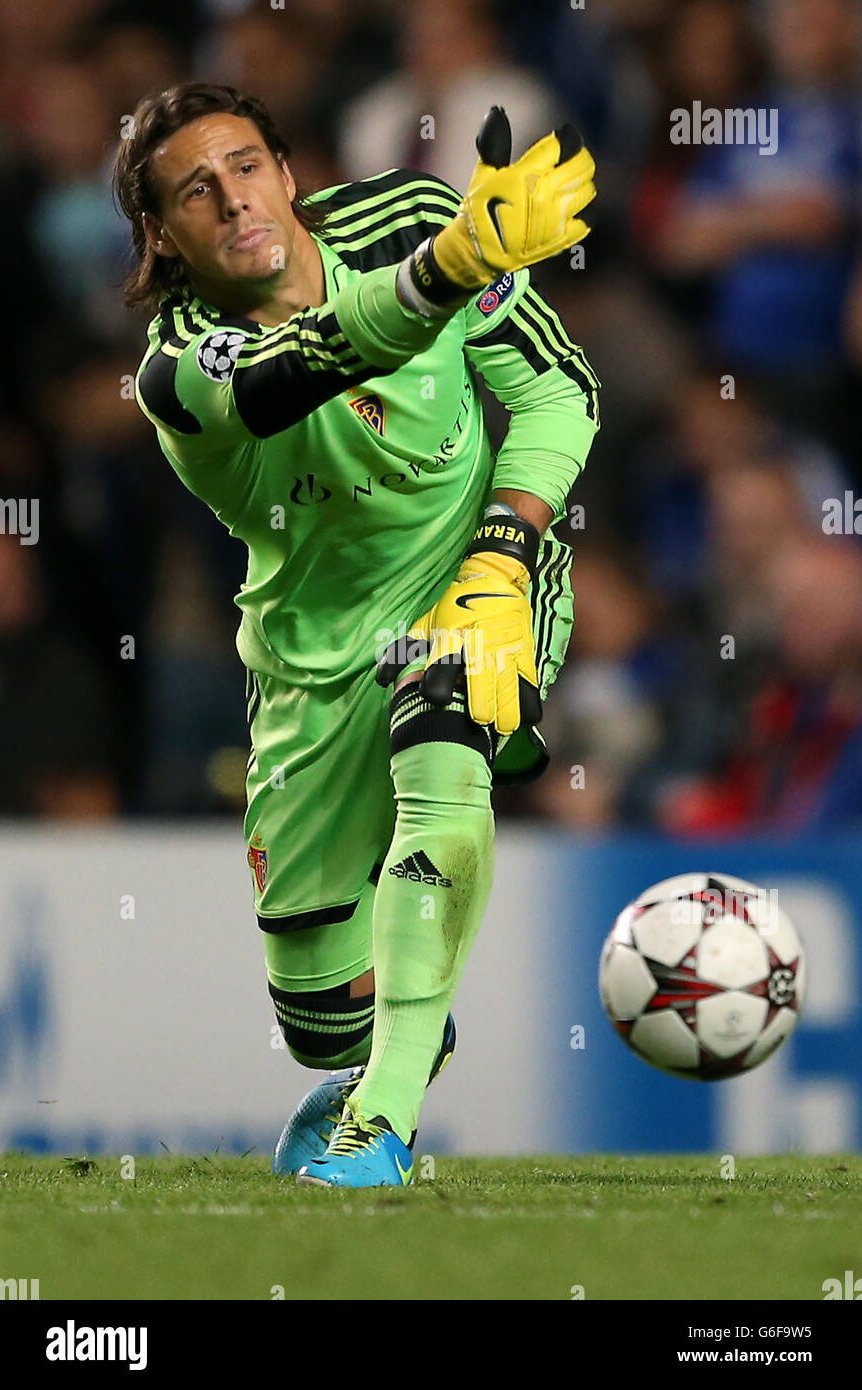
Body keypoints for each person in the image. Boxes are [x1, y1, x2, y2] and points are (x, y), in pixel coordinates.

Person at [115, 81, 599, 1187]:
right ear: (163, 236)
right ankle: (381, 1045)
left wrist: (502, 546)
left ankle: (378, 1127)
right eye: (196, 190)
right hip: (312, 664)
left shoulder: (409, 217)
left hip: (473, 579)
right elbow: (313, 363)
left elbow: (560, 392)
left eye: (246, 165)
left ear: (288, 171)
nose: (233, 199)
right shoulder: (178, 370)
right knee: (320, 1019)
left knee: (443, 730)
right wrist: (447, 273)